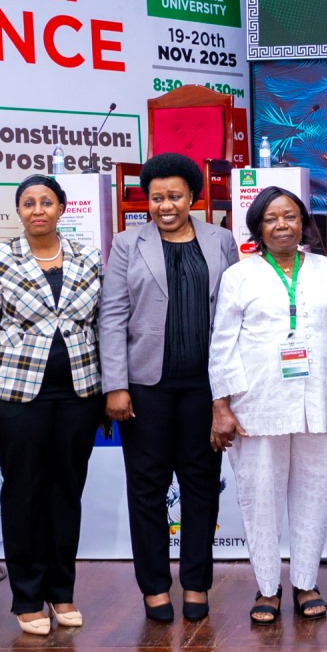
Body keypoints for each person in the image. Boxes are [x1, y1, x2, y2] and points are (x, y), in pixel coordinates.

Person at [208, 187, 327, 623]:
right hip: (257, 402)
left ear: (303, 223)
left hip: (318, 399)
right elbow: (222, 344)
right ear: (258, 227)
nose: (282, 225)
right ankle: (267, 586)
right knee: (260, 496)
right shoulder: (240, 275)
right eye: (271, 218)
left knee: (315, 492)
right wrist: (221, 405)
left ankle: (305, 581)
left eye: (290, 216)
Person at [99, 153, 238, 624]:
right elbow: (113, 315)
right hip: (145, 387)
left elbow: (235, 313)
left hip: (206, 385)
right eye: (156, 197)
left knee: (202, 486)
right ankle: (155, 587)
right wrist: (115, 385)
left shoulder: (221, 240)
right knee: (147, 487)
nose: (165, 205)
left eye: (174, 196)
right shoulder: (125, 243)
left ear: (192, 197)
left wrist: (231, 387)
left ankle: (197, 583)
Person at [0, 174, 106, 635]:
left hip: (80, 395)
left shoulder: (88, 257)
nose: (38, 209)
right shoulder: (0, 259)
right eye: (28, 203)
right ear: (19, 211)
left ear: (62, 207)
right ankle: (27, 596)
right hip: (17, 397)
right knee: (24, 494)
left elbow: (103, 325)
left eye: (47, 201)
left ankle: (61, 591)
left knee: (66, 492)